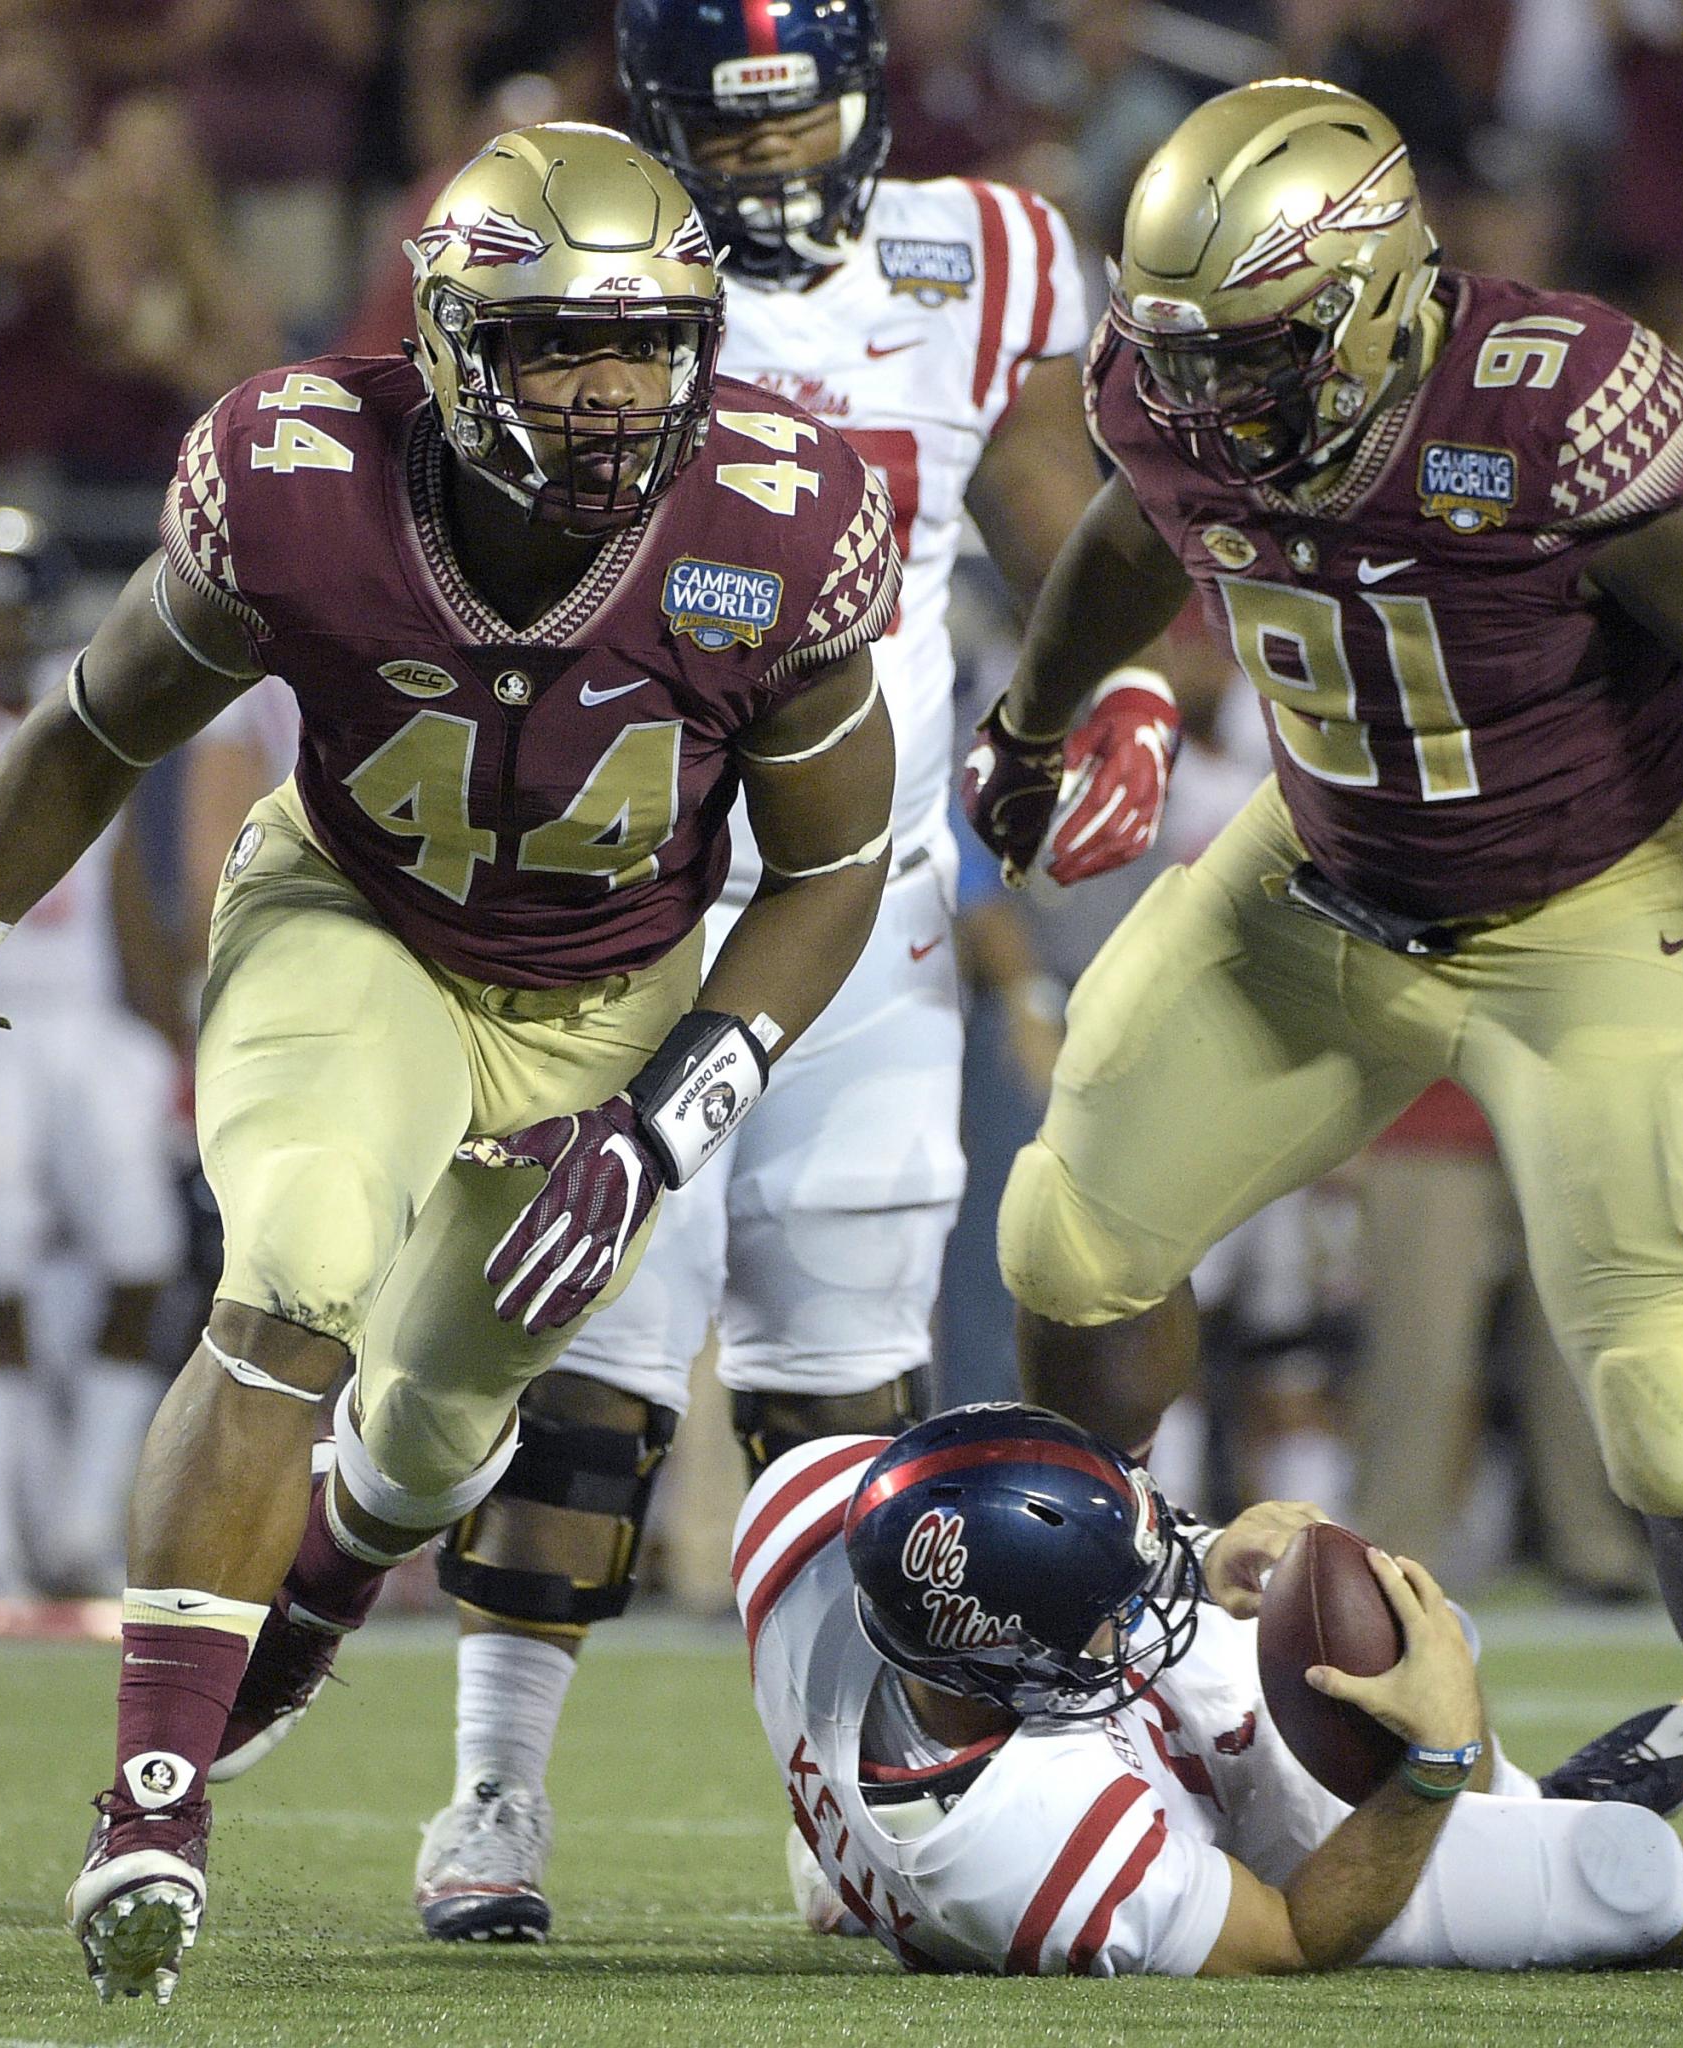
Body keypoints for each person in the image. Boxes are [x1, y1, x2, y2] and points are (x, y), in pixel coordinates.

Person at [959, 80, 1683, 1975]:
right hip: (1321, 880)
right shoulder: (1182, 399)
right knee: (1064, 1235)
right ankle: (1109, 1666)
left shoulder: (1552, 405)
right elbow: (1142, 535)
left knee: (1663, 1392)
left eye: (1263, 352)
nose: (1220, 399)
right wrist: (1041, 714)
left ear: (1384, 297)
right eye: (1192, 357)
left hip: (1593, 909)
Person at [0, 125, 903, 2005]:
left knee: (430, 1425)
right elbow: (96, 726)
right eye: (564, 345)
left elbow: (827, 871)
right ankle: (152, 1795)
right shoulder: (301, 475)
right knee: (303, 1257)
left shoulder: (780, 515)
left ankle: (325, 1584)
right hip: (359, 925)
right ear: (451, 341)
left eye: (650, 344)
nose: (614, 393)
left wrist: (667, 1128)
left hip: (614, 1000)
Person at [404, 0, 1165, 1946]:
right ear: (653, 121)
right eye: (722, 137)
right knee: (593, 1373)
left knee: (846, 1402)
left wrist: (1130, 688)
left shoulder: (986, 252)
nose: (759, 169)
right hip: (632, 896)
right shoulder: (593, 269)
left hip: (875, 901)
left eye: (791, 124)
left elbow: (1061, 523)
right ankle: (492, 1790)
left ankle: (842, 1810)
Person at [740, 1403, 1683, 1977]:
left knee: (1356, 1611)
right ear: (1011, 1667)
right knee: (1618, 1873)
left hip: (1018, 1751)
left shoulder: (811, 1511)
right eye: (1121, 1604)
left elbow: (981, 1484)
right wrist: (1431, 1763)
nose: (1158, 1596)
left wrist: (1190, 1546)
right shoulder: (1033, 1848)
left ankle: (1520, 1789)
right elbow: (1294, 1934)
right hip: (1089, 1840)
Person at [0, 511, 189, 1597]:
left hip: (89, 1028)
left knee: (145, 1264)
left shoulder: (91, 701)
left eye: (8, 613)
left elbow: (123, 898)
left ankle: (73, 1528)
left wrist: (180, 1046)